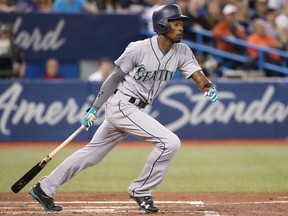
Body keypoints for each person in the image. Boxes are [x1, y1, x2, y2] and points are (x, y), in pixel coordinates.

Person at [28, 4, 218, 214]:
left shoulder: (182, 51)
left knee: (91, 155)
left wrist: (207, 87)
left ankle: (44, 188)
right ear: (162, 25)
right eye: (176, 23)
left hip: (134, 109)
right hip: (122, 105)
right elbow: (115, 77)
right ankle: (140, 190)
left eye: (181, 23)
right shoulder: (139, 48)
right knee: (170, 142)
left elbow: (197, 75)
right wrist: (94, 108)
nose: (181, 28)